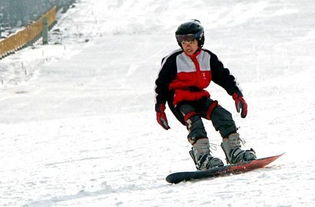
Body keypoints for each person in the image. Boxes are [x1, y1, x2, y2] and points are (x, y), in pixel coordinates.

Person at [154, 20, 256, 170]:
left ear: (200, 40)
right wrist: (160, 109)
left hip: (200, 97)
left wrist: (237, 96)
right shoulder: (173, 60)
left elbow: (224, 77)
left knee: (223, 116)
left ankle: (234, 152)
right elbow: (161, 85)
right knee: (195, 124)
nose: (187, 45)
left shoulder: (207, 58)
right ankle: (202, 158)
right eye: (183, 42)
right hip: (180, 100)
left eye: (191, 41)